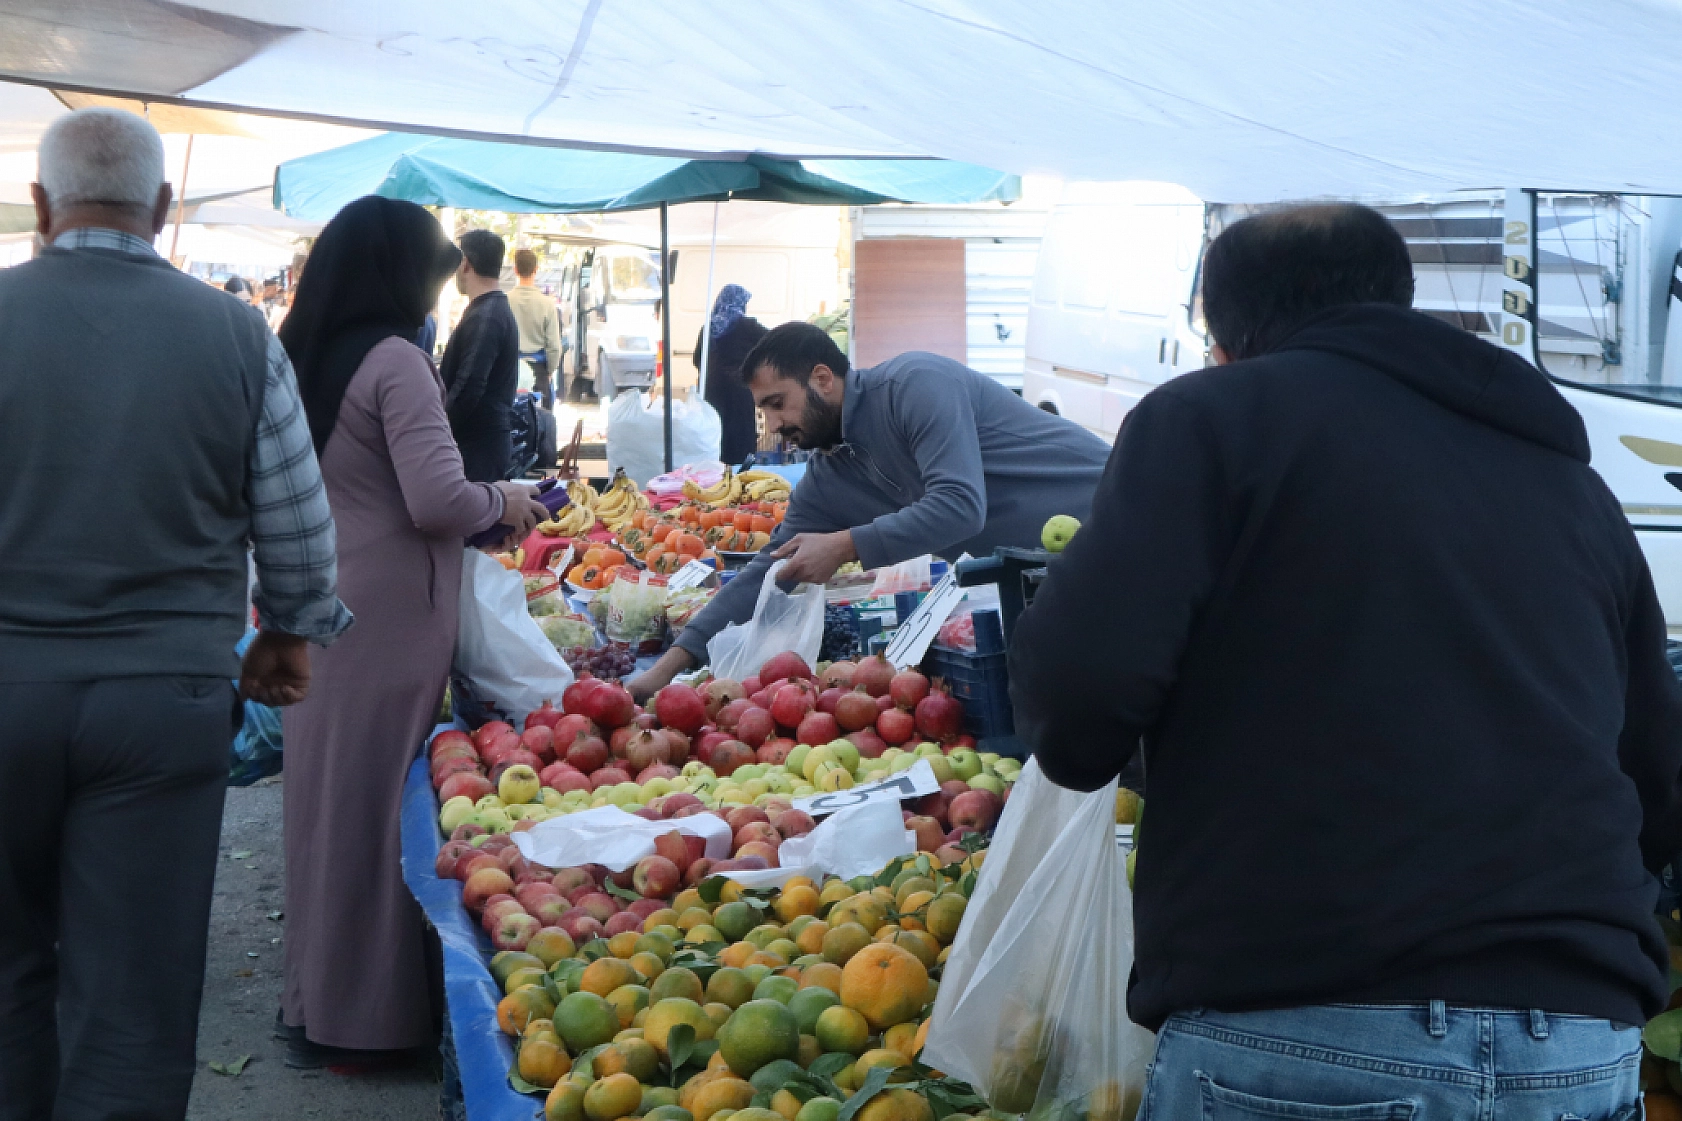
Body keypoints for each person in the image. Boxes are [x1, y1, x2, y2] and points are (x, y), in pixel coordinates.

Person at [1009, 203, 1682, 1114]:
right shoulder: (1573, 486)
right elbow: (1656, 777)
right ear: (1396, 300)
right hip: (1575, 1045)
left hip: (1303, 1025)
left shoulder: (1209, 422)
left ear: (1226, 340)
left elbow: (1079, 700)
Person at [0, 107, 351, 1119]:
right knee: (134, 1001)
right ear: (161, 205)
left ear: (40, 205)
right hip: (163, 704)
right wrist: (287, 634)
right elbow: (298, 528)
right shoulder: (237, 335)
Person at [275, 197, 546, 1070]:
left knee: (326, 804)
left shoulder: (305, 355)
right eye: (431, 277)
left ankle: (315, 1000)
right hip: (388, 613)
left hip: (321, 597)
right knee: (382, 813)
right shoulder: (396, 359)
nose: (435, 296)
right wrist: (505, 498)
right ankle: (369, 1024)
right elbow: (436, 499)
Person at [628, 323, 1110, 699]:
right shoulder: (829, 476)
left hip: (1113, 523)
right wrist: (665, 670)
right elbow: (768, 572)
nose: (773, 425)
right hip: (1044, 578)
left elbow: (960, 506)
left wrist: (845, 545)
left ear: (822, 379)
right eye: (763, 411)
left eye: (778, 404)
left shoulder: (916, 385)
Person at [440, 228, 520, 481]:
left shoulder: (487, 316)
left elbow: (469, 385)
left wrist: (436, 430)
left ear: (465, 263)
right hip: (482, 445)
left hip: (477, 449)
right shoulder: (490, 310)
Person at [695, 284, 767, 464]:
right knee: (740, 438)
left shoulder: (708, 327)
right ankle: (739, 473)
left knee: (714, 436)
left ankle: (715, 472)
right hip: (738, 390)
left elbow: (697, 359)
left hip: (711, 391)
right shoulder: (747, 326)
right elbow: (772, 344)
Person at [508, 247, 563, 409]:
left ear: (515, 270)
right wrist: (550, 371)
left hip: (510, 371)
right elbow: (554, 346)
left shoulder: (505, 301)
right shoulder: (547, 304)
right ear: (536, 269)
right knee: (540, 419)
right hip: (538, 371)